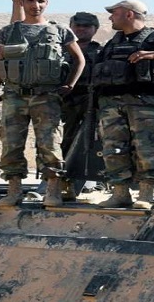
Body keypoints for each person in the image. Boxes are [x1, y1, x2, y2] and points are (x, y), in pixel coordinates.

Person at [0, 0, 84, 208]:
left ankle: (53, 191)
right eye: (30, 0)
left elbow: (79, 60)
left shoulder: (60, 31)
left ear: (47, 2)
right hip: (14, 96)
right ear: (22, 2)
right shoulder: (9, 32)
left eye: (40, 0)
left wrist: (69, 85)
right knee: (11, 144)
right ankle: (14, 191)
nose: (36, 5)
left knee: (49, 143)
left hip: (46, 96)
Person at [94, 0, 154, 209]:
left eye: (114, 13)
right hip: (111, 104)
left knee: (148, 147)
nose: (110, 17)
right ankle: (120, 193)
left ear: (129, 14)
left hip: (144, 102)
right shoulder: (113, 42)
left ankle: (146, 194)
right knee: (113, 149)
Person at [60, 12, 102, 201]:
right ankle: (62, 180)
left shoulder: (101, 52)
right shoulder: (60, 50)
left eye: (87, 26)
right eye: (77, 26)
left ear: (95, 29)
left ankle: (93, 178)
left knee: (95, 141)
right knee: (66, 139)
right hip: (67, 101)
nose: (82, 29)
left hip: (94, 101)